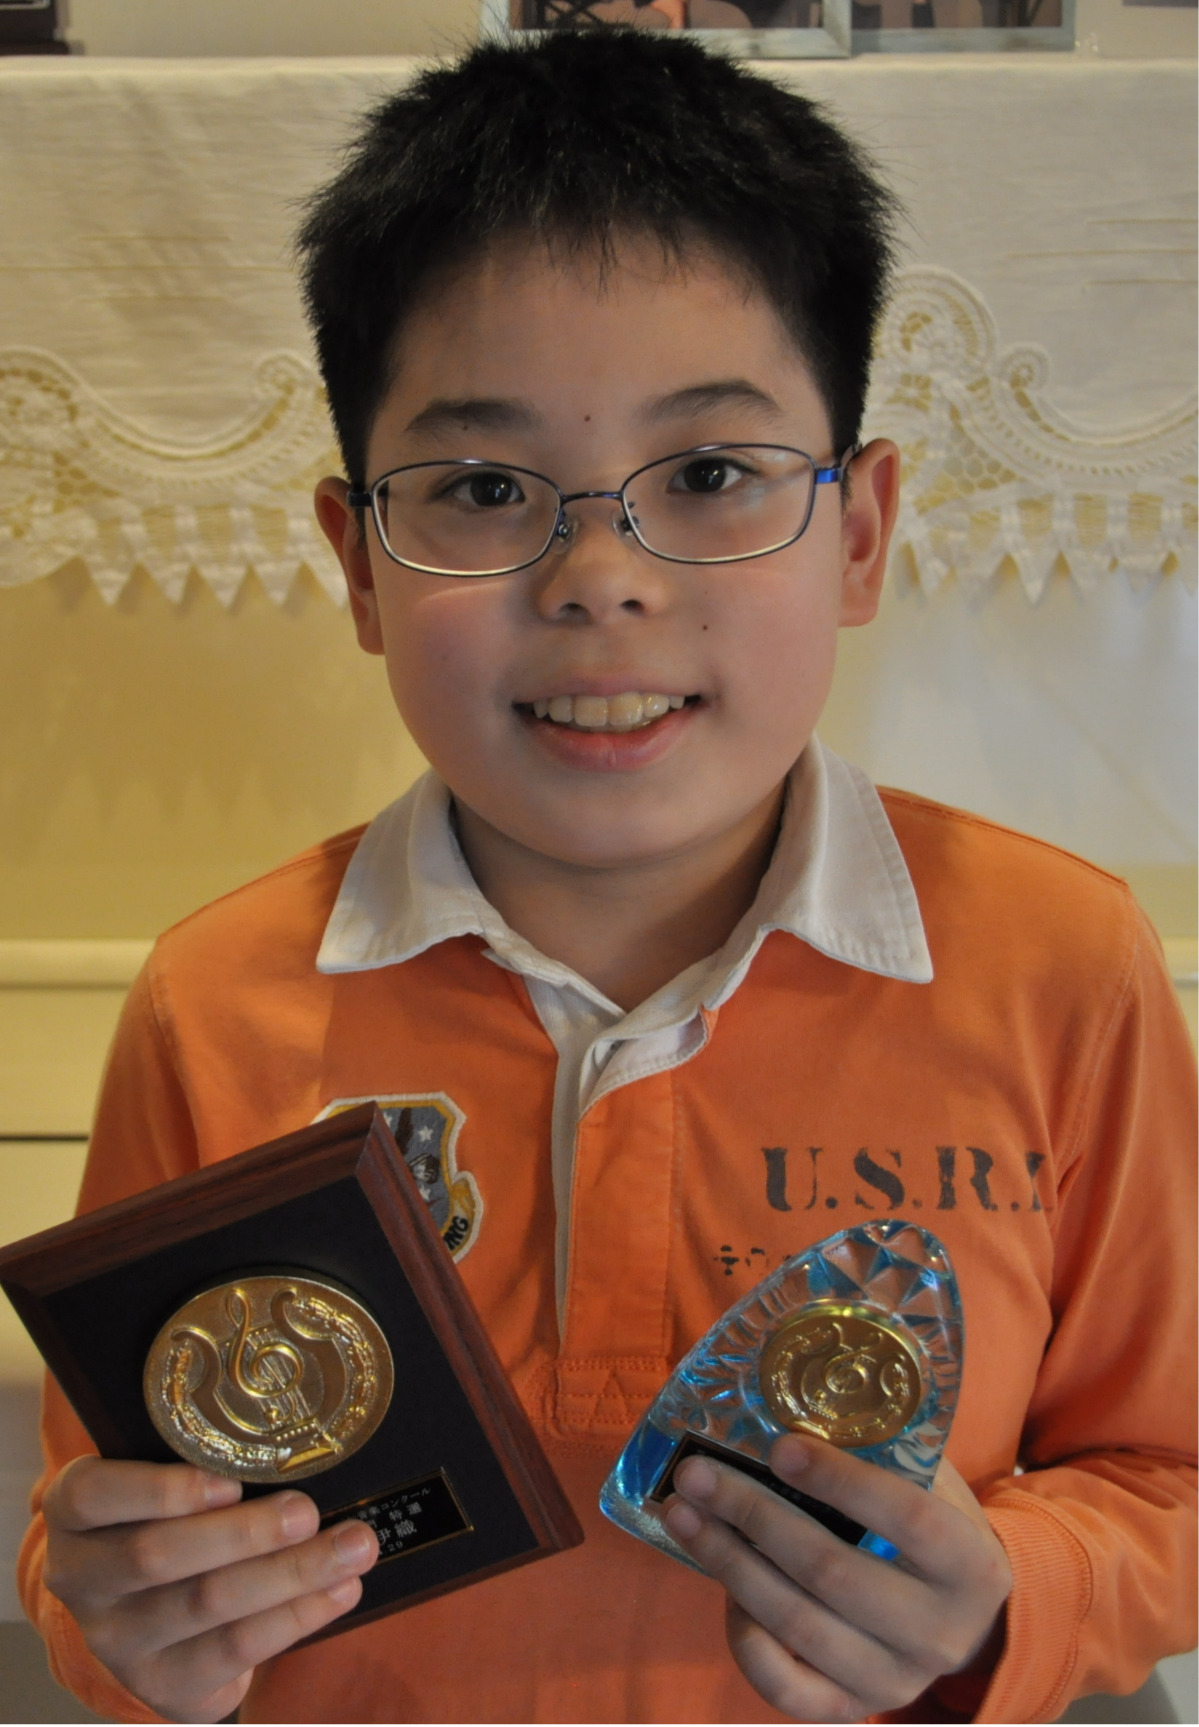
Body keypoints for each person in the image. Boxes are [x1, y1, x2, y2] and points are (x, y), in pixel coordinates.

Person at [18, 28, 1196, 1726]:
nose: (599, 579)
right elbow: (100, 1534)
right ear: (360, 566)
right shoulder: (217, 1005)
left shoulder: (1059, 965)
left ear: (861, 532)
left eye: (709, 475)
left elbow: (1169, 1475)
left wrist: (1019, 1598)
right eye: (485, 488)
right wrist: (125, 1627)